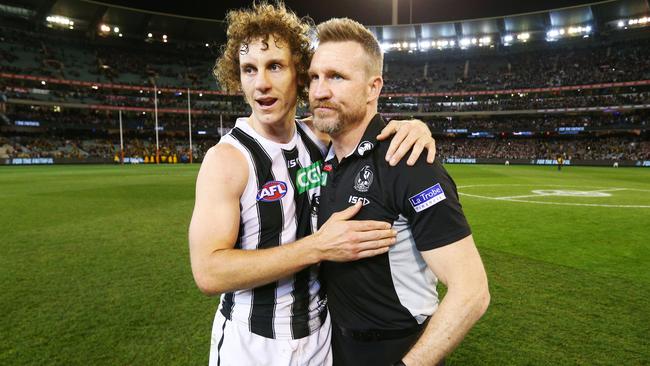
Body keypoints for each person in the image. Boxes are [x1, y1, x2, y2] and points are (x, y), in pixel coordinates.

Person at [188, 3, 437, 366]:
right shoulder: (227, 160)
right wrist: (318, 247)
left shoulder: (319, 138)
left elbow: (360, 120)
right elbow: (209, 273)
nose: (261, 83)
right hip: (253, 344)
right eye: (248, 70)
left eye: (275, 66)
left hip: (321, 338)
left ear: (299, 75)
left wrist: (415, 126)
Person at [309, 18, 490, 366]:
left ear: (373, 88)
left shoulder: (407, 160)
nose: (319, 91)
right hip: (333, 345)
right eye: (314, 77)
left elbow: (472, 291)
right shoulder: (322, 152)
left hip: (393, 348)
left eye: (337, 77)